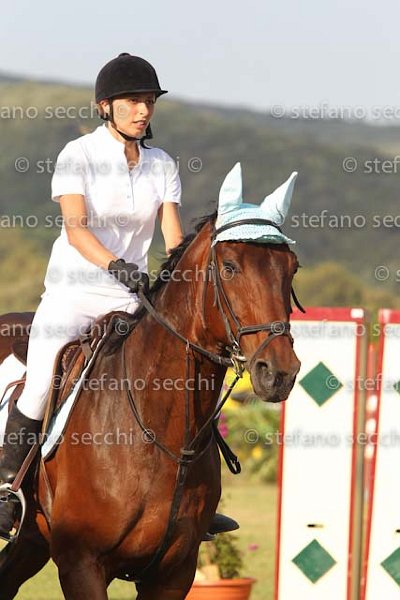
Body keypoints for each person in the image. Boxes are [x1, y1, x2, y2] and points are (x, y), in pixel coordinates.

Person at [0, 53, 238, 540]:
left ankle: (195, 498)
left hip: (132, 299)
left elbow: (173, 238)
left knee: (179, 372)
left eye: (149, 101)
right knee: (42, 381)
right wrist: (115, 265)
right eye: (133, 101)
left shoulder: (161, 164)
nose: (143, 110)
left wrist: (184, 279)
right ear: (105, 106)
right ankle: (6, 489)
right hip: (73, 293)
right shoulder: (78, 155)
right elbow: (76, 229)